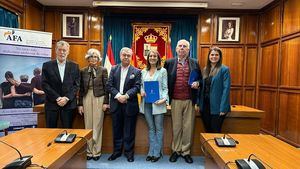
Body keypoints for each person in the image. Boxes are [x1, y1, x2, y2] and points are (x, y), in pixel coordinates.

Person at [164, 39, 202, 164]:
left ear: (188, 49)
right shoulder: (169, 62)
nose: (182, 48)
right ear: (176, 49)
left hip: (190, 100)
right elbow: (164, 81)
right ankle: (176, 151)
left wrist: (198, 83)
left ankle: (186, 152)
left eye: (184, 46)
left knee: (188, 127)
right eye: (179, 46)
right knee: (176, 127)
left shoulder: (195, 63)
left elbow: (201, 80)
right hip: (175, 100)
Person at [106, 47, 141, 162]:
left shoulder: (136, 71)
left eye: (128, 55)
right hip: (116, 104)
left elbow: (137, 87)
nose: (126, 57)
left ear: (131, 57)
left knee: (129, 130)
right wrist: (118, 96)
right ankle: (116, 152)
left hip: (129, 104)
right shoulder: (114, 69)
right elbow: (109, 85)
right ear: (120, 56)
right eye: (124, 55)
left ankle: (129, 153)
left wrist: (125, 96)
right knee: (116, 129)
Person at [78, 48, 109, 161]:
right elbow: (81, 89)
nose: (94, 58)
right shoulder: (83, 71)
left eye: (96, 57)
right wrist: (80, 104)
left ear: (99, 59)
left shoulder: (103, 70)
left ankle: (96, 151)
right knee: (88, 125)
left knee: (97, 125)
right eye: (91, 56)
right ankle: (89, 151)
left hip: (99, 98)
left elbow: (107, 88)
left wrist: (106, 102)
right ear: (88, 58)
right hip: (86, 97)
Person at [42, 40, 80, 128]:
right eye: (59, 50)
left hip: (69, 105)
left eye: (64, 50)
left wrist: (66, 98)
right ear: (55, 50)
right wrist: (58, 98)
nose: (62, 52)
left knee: (68, 131)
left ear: (68, 51)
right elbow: (44, 84)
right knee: (50, 132)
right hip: (52, 104)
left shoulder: (75, 66)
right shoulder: (47, 65)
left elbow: (76, 85)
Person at [140, 50, 168, 162]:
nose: (152, 57)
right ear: (148, 58)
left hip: (158, 103)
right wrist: (141, 91)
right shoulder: (143, 71)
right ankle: (151, 152)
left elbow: (165, 88)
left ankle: (157, 153)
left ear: (158, 58)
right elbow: (141, 86)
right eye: (150, 56)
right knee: (151, 128)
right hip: (146, 103)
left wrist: (163, 99)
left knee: (159, 129)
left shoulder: (163, 71)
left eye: (154, 56)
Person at [197, 46, 231, 133]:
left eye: (216, 55)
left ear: (220, 57)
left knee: (215, 131)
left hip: (217, 106)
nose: (214, 56)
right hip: (205, 106)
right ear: (209, 56)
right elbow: (202, 87)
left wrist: (223, 108)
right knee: (208, 131)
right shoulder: (205, 69)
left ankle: (215, 147)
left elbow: (226, 89)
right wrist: (198, 103)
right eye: (212, 54)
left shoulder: (224, 69)